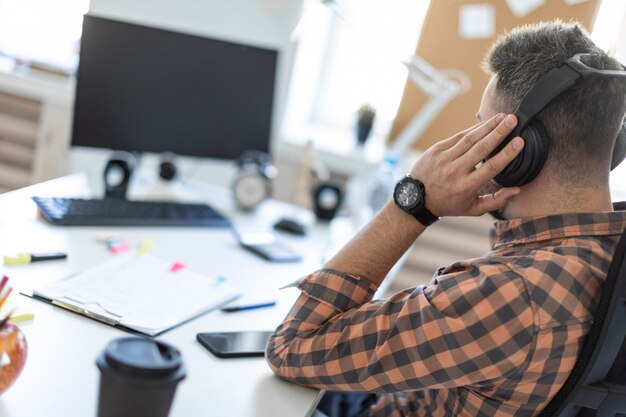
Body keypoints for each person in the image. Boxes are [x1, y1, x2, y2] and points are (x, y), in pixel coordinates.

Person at [265, 20, 626, 417]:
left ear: (515, 151)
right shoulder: (606, 253)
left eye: (479, 128)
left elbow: (292, 348)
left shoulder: (512, 293)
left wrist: (414, 202)